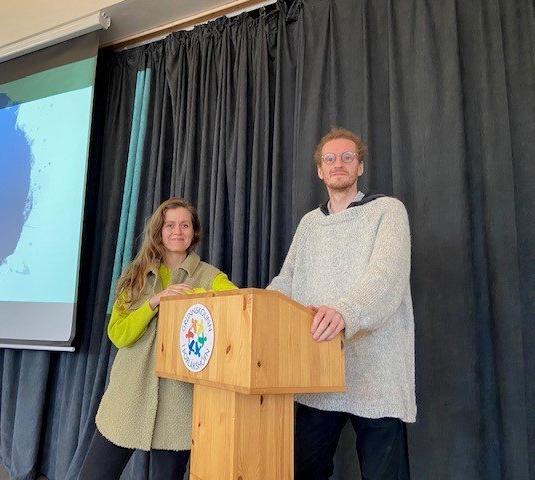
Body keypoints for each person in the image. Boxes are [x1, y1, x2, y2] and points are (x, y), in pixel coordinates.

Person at [268, 127, 416, 479]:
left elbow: (387, 275)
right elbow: (287, 281)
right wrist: (257, 308)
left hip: (376, 373)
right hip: (318, 369)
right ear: (320, 171)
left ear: (359, 166)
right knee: (304, 469)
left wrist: (345, 311)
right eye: (330, 159)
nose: (338, 164)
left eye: (347, 157)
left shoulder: (387, 211)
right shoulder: (310, 224)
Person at [80, 197, 237, 479]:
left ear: (194, 232)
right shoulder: (136, 276)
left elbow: (237, 305)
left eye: (185, 225)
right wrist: (153, 302)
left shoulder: (211, 276)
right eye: (170, 225)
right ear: (159, 232)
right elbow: (119, 334)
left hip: (180, 402)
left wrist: (190, 296)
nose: (177, 231)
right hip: (129, 392)